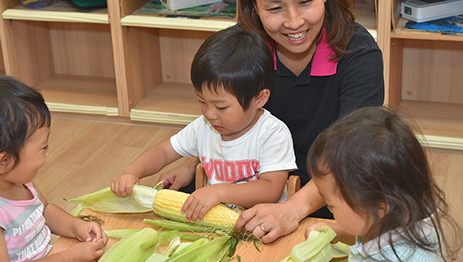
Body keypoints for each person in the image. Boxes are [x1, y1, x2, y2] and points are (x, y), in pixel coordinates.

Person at [164, 0, 385, 243]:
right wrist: (195, 162)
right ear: (254, 7)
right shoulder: (244, 47)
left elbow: (351, 153)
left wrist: (293, 208)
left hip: (328, 189)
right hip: (253, 181)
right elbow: (224, 114)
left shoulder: (359, 54)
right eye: (275, 8)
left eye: (305, 2)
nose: (294, 21)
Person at [111, 25, 297, 223]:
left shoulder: (273, 133)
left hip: (261, 224)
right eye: (202, 101)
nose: (209, 114)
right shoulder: (204, 126)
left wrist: (218, 192)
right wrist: (132, 172)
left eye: (221, 107)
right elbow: (164, 152)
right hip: (213, 222)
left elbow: (271, 189)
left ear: (260, 98)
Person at [0, 75, 108, 262]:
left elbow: (44, 210)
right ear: (4, 162)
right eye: (43, 147)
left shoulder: (18, 178)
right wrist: (69, 257)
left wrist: (76, 226)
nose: (48, 152)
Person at [304, 106, 462, 261]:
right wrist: (340, 232)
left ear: (378, 206)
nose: (329, 209)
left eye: (331, 205)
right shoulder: (400, 214)